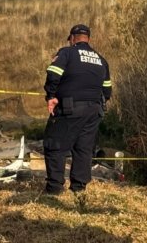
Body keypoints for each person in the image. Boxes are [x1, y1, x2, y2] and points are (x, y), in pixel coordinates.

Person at [43, 24, 112, 195]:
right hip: (94, 110)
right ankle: (79, 189)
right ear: (88, 39)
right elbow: (108, 90)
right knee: (83, 148)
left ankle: (54, 189)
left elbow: (53, 73)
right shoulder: (101, 60)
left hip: (70, 107)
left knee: (55, 145)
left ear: (72, 38)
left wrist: (51, 95)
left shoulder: (67, 52)